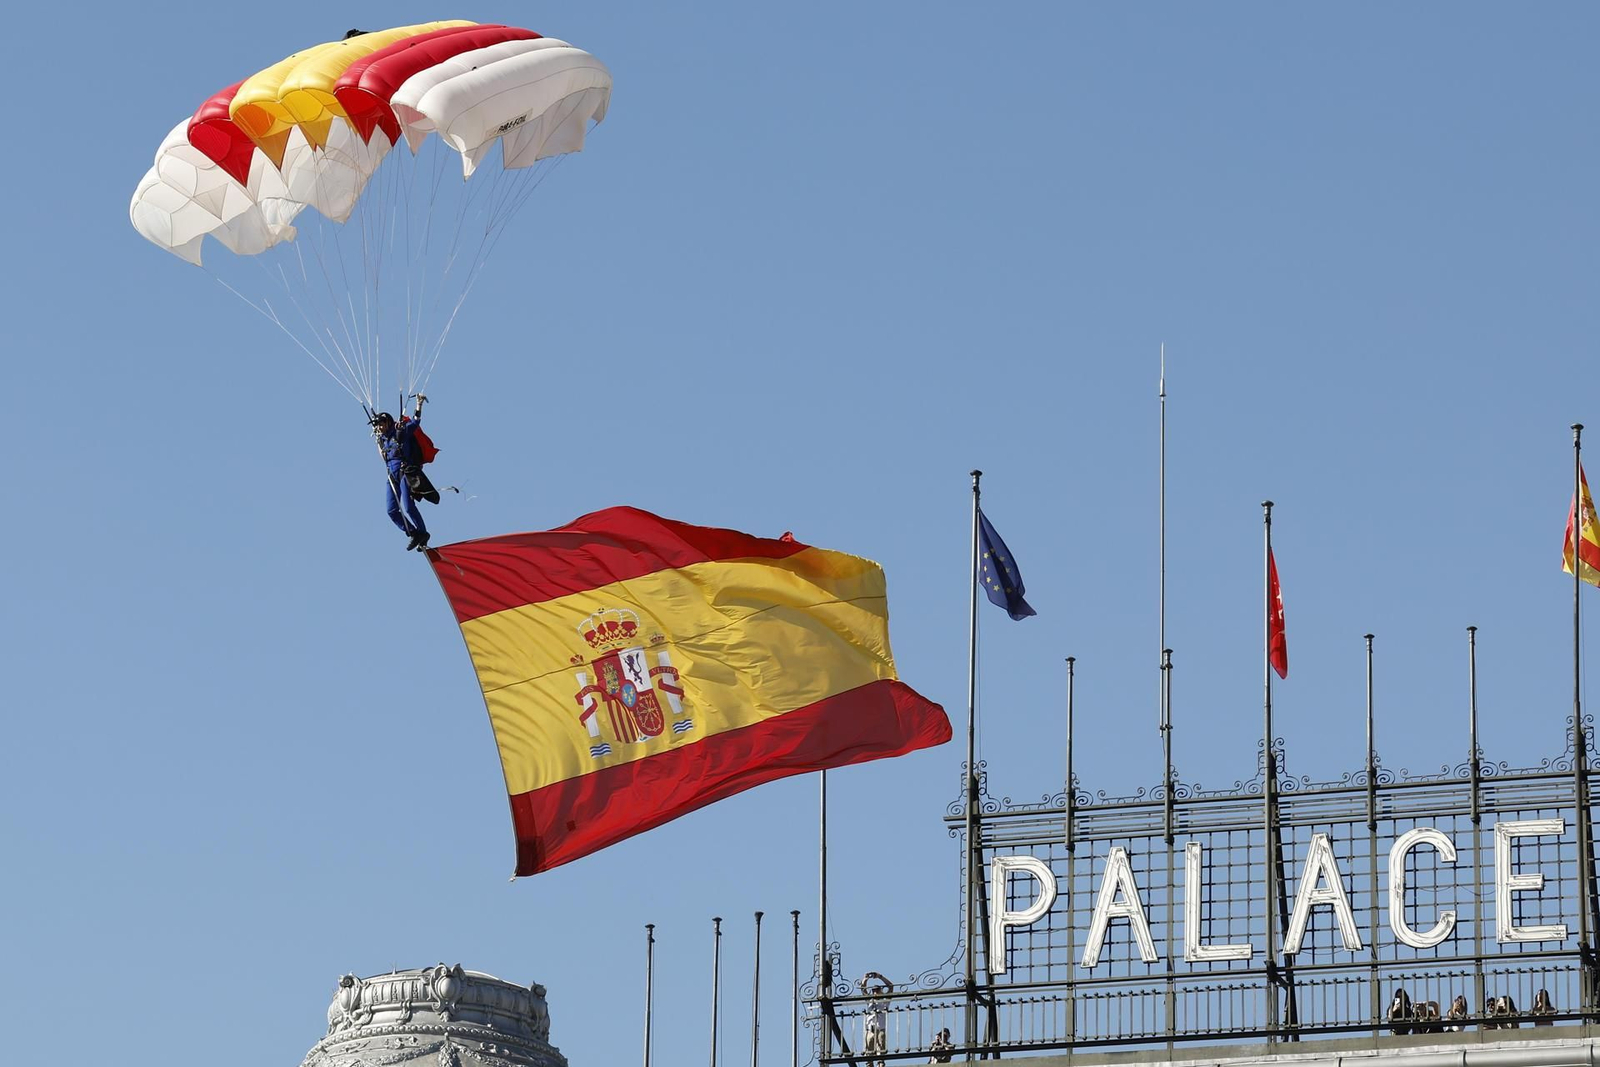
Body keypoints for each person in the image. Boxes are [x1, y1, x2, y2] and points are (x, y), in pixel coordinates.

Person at [372, 396, 438, 550]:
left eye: (380, 424)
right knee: (392, 511)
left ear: (387, 422)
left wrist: (418, 404)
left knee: (408, 507)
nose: (379, 428)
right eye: (377, 426)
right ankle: (414, 533)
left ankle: (423, 533)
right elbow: (384, 458)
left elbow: (415, 422)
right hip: (392, 477)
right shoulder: (383, 440)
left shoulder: (400, 433)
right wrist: (378, 442)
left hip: (404, 473)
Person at [861, 971, 892, 1067]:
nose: (875, 992)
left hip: (880, 1029)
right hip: (870, 1029)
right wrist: (865, 979)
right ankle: (869, 1064)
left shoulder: (884, 1001)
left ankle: (880, 1064)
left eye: (877, 990)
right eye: (873, 990)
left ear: (880, 991)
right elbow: (863, 989)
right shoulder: (869, 1001)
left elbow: (890, 986)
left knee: (881, 1052)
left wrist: (880, 976)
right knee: (869, 1053)